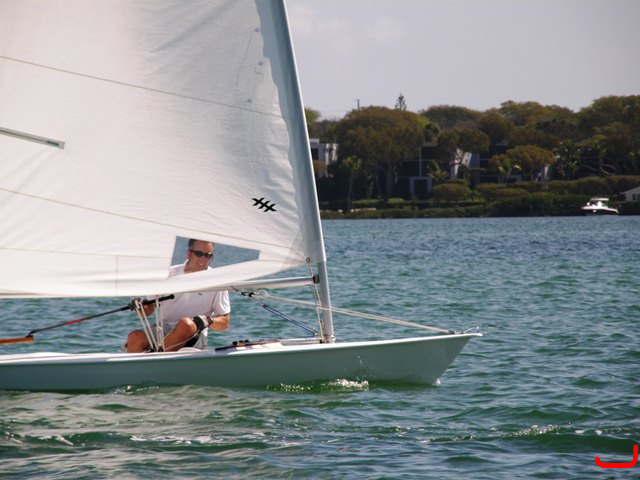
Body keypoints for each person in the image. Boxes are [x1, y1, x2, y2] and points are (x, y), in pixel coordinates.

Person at [126, 239, 230, 353]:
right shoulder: (168, 275)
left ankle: (155, 357)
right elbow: (146, 310)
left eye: (208, 255)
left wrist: (207, 321)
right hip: (164, 329)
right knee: (134, 337)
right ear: (189, 253)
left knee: (186, 324)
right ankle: (142, 362)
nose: (203, 259)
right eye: (199, 254)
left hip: (194, 333)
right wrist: (141, 308)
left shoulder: (217, 280)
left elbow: (225, 322)